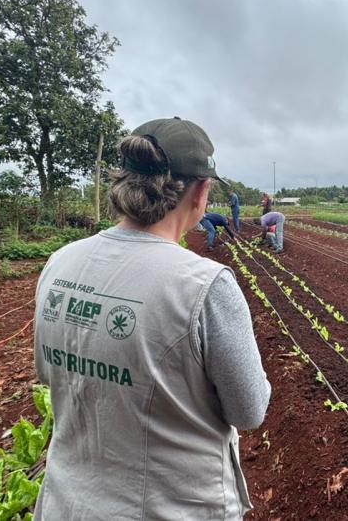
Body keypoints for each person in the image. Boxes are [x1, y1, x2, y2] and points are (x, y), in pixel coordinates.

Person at [33, 117, 270, 520]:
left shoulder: (61, 262)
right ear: (200, 192)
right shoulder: (204, 284)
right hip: (170, 508)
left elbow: (48, 372)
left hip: (67, 503)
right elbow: (249, 411)